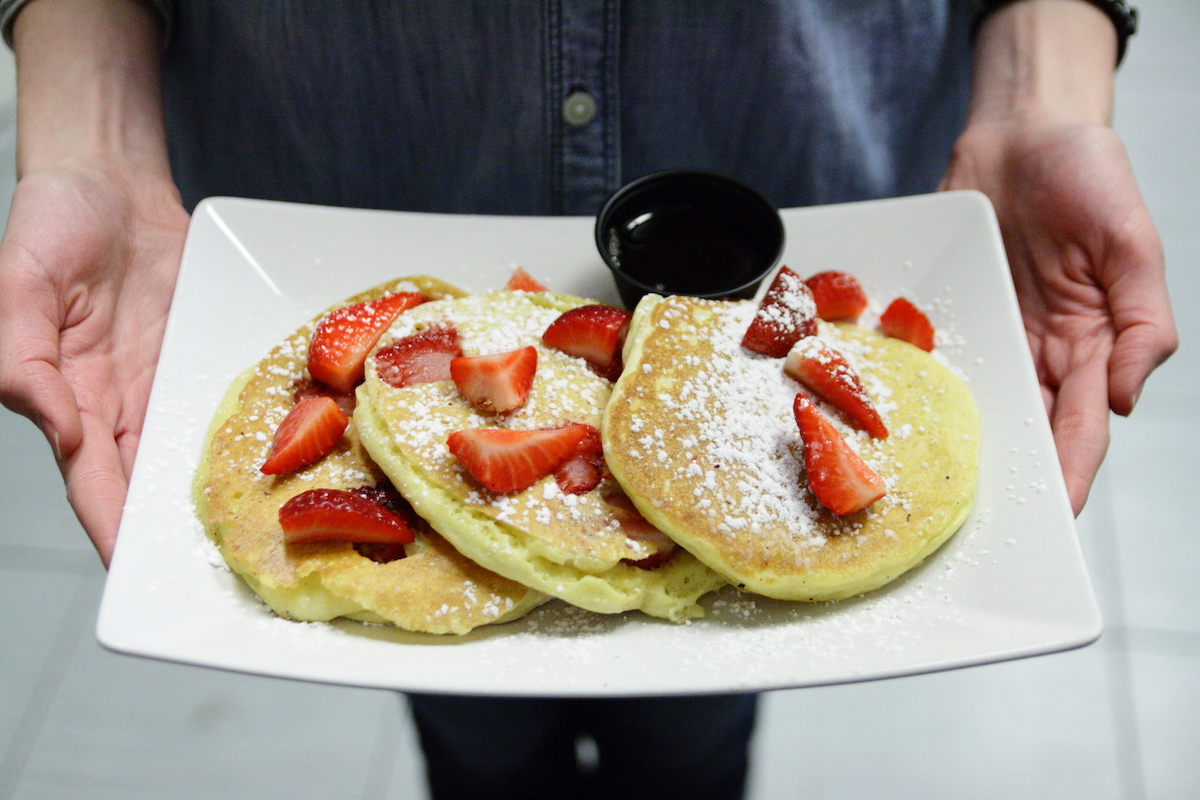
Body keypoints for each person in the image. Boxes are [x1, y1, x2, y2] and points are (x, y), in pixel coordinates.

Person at [0, 1, 1177, 798]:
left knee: (703, 704)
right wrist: (92, 135)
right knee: (461, 693)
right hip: (346, 149)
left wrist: (1042, 82)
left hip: (799, 163)